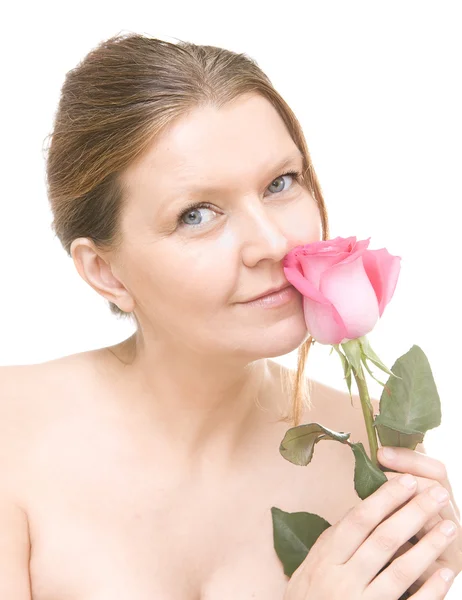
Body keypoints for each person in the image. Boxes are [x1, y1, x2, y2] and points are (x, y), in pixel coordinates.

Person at [0, 32, 460, 600]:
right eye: (196, 215)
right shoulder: (9, 438)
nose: (272, 241)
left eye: (280, 183)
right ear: (106, 273)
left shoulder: (370, 460)